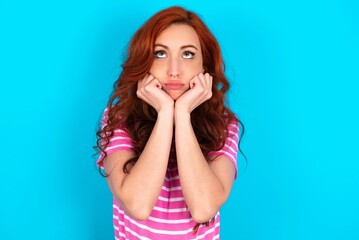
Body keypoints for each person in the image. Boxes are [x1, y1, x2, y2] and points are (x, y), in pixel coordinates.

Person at [95, 6, 245, 239]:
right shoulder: (119, 118)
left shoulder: (224, 124)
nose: (174, 71)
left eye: (187, 54)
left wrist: (182, 113)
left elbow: (204, 208)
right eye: (160, 54)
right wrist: (166, 113)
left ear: (204, 64)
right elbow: (138, 205)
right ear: (145, 61)